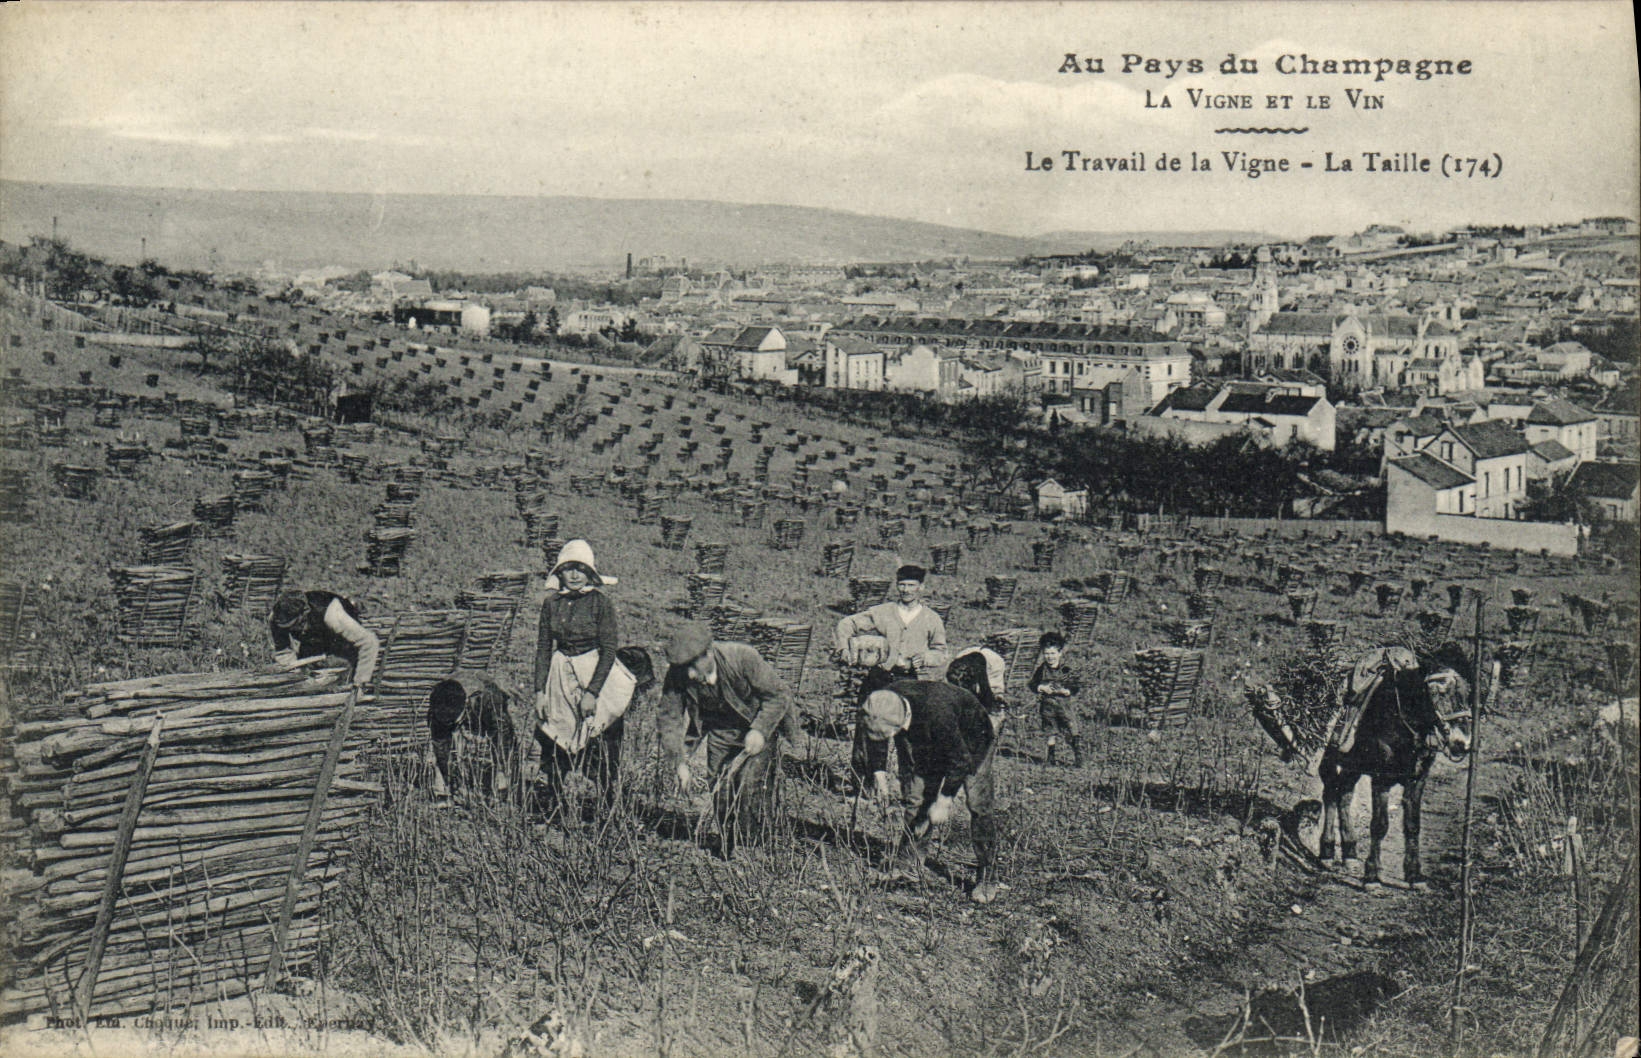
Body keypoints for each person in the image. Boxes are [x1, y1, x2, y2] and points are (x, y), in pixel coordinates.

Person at [851, 679, 1001, 904]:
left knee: (978, 804)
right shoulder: (882, 700)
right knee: (917, 797)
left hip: (973, 739)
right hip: (927, 737)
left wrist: (945, 799)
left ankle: (988, 873)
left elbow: (960, 760)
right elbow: (875, 736)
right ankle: (908, 861)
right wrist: (879, 774)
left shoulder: (938, 713)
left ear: (901, 722)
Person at [657, 621, 795, 856]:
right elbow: (669, 719)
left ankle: (753, 848)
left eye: (693, 665)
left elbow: (778, 696)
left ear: (709, 652)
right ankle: (728, 841)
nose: (690, 673)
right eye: (684, 667)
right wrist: (679, 762)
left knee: (751, 785)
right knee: (719, 786)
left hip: (758, 723)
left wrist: (760, 730)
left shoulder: (742, 657)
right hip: (720, 730)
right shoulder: (679, 675)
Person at [532, 540, 632, 820]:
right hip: (560, 672)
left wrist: (592, 692)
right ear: (559, 573)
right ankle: (555, 806)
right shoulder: (552, 604)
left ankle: (610, 810)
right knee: (554, 737)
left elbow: (609, 649)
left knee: (601, 740)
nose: (574, 575)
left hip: (594, 669)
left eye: (581, 569)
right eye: (568, 569)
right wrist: (540, 691)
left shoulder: (601, 603)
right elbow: (543, 648)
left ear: (590, 573)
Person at [834, 564, 947, 695]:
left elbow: (941, 652)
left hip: (913, 681)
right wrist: (844, 648)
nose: (906, 590)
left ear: (921, 587)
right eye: (902, 585)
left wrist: (925, 658)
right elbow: (846, 624)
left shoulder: (932, 618)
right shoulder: (883, 612)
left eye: (911, 585)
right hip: (881, 678)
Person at [426, 672, 521, 801]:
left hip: (490, 705)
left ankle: (505, 785)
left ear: (465, 705)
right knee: (442, 754)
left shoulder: (488, 698)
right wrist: (448, 778)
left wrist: (502, 770)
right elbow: (440, 744)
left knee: (503, 740)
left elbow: (502, 735)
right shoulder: (438, 704)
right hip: (463, 705)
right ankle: (445, 788)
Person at [270, 590, 379, 689]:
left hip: (343, 643)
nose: (290, 629)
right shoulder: (277, 619)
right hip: (314, 641)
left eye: (294, 625)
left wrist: (360, 682)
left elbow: (368, 642)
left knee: (342, 673)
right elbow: (283, 652)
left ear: (304, 613)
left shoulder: (332, 615)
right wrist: (293, 678)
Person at [1028, 632, 1083, 767]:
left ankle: (1078, 756)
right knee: (1049, 730)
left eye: (1053, 653)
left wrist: (1067, 690)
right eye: (1046, 654)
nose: (1050, 657)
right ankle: (1051, 757)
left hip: (1064, 705)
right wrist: (1042, 688)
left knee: (1071, 728)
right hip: (1047, 706)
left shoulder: (1066, 669)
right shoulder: (1042, 669)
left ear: (1059, 653)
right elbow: (1032, 684)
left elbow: (1076, 684)